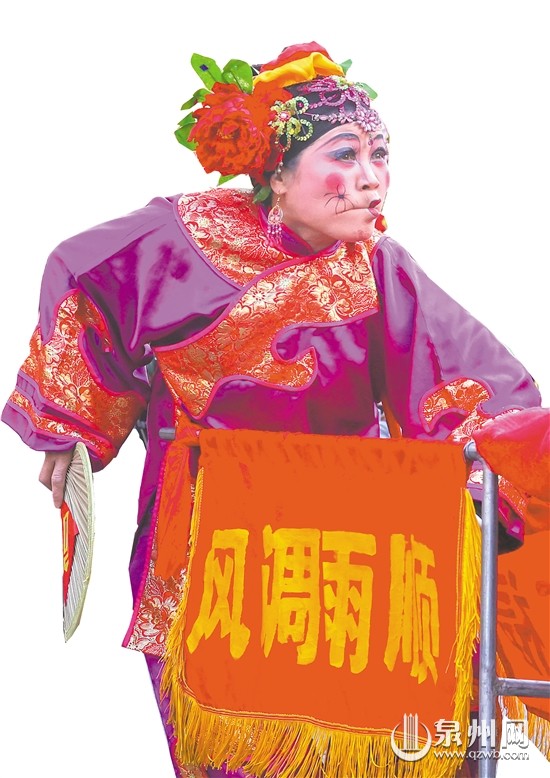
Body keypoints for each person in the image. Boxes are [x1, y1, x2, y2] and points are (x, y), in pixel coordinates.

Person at [2, 42, 545, 777]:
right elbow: (84, 277)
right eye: (344, 155)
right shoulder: (183, 236)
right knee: (238, 747)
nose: (371, 179)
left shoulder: (377, 266)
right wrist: (72, 424)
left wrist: (497, 468)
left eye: (380, 155)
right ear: (276, 173)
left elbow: (468, 381)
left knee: (376, 742)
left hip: (347, 545)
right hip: (212, 541)